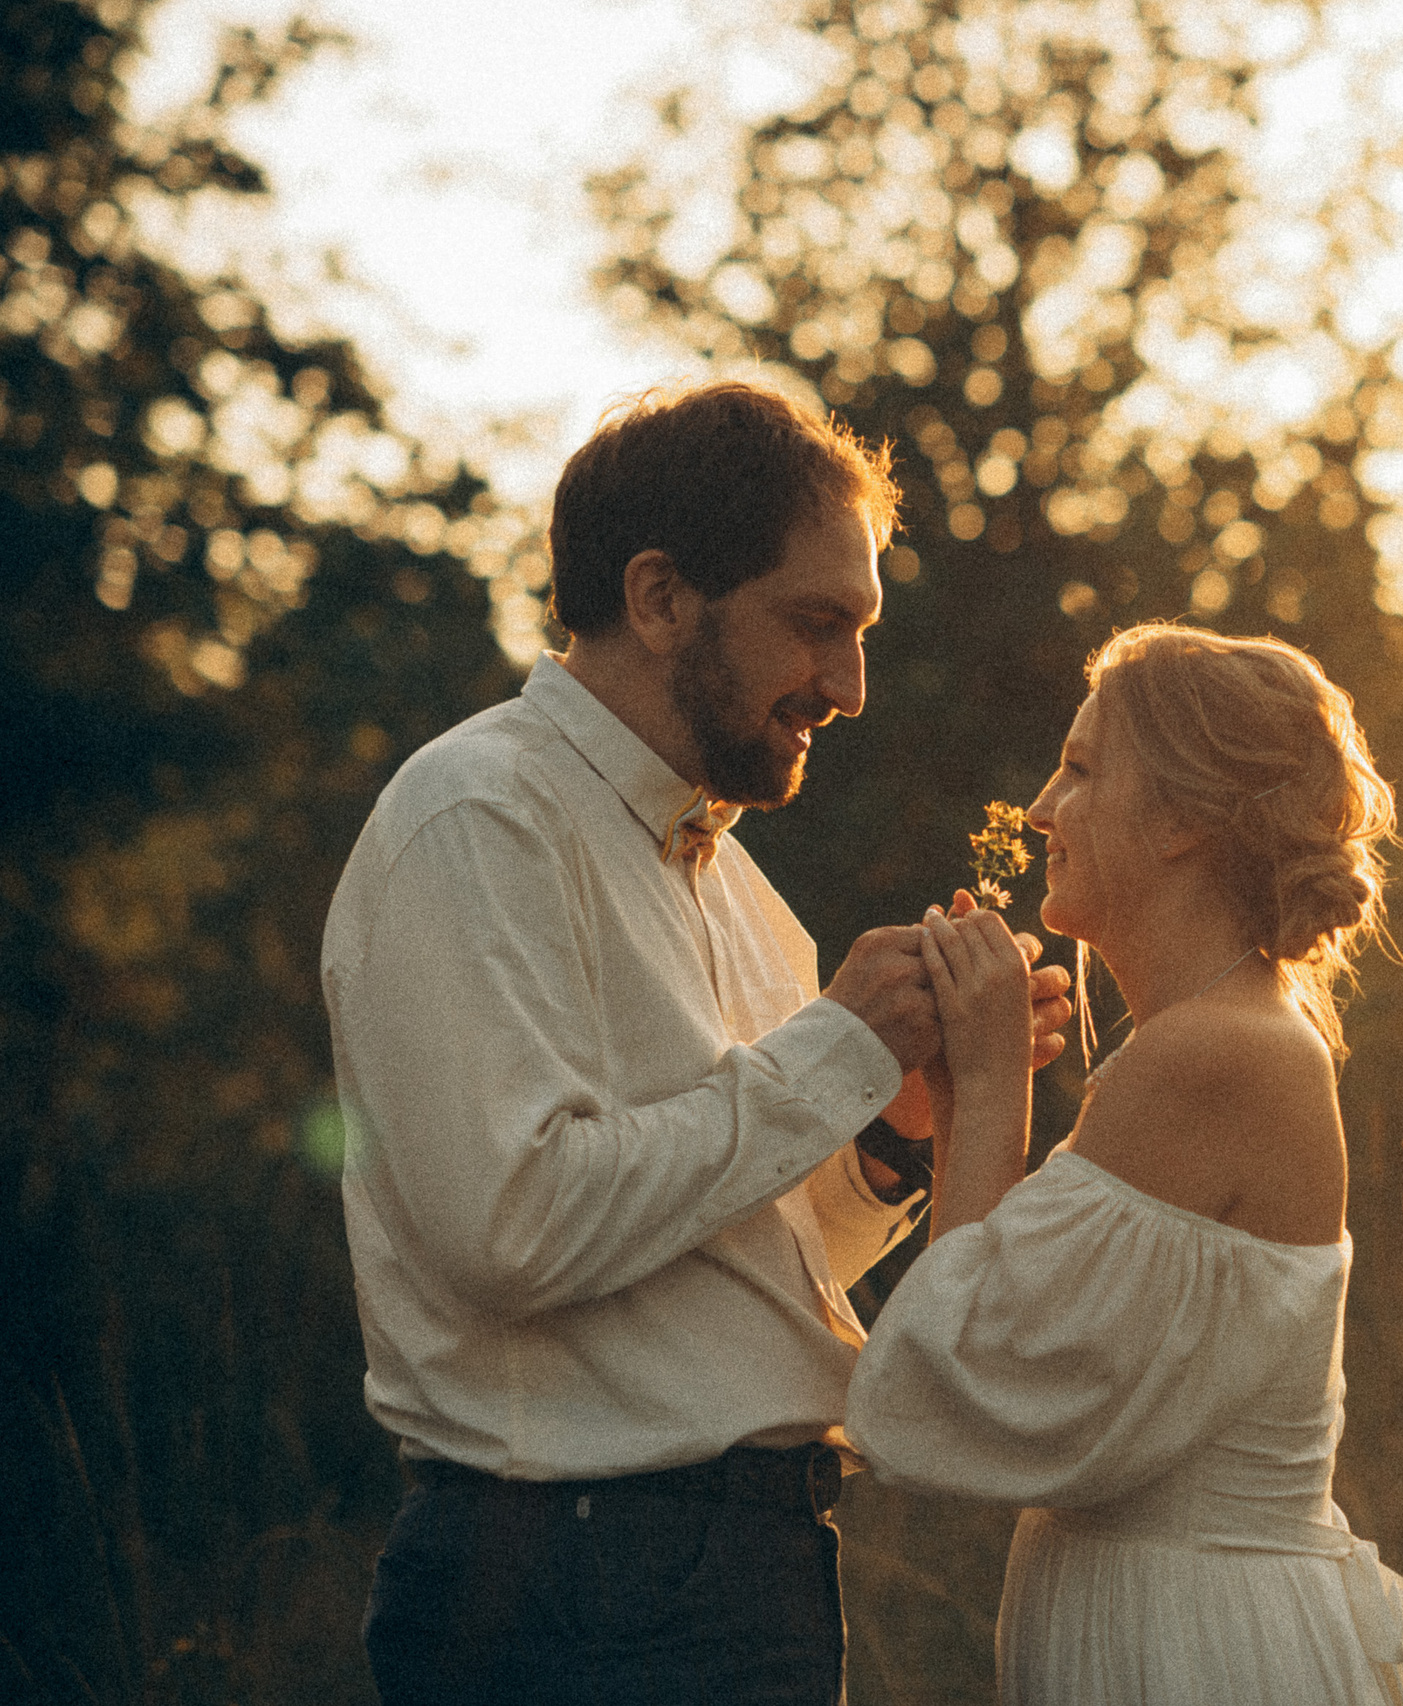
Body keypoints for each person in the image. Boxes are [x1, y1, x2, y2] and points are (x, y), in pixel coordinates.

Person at [321, 381, 1073, 1705]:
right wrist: (836, 1048)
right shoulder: (478, 818)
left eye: (862, 634)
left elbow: (721, 1256)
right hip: (570, 1585)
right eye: (817, 624)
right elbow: (513, 1226)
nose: (849, 687)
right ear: (661, 596)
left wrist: (893, 1123)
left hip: (736, 1563)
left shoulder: (736, 888)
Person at [845, 622, 1403, 1704]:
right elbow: (1012, 1341)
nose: (1041, 808)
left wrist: (991, 1082)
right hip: (1181, 1624)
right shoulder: (1213, 1038)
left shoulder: (1213, 1051)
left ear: (1181, 820)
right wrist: (964, 1087)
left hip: (1199, 1649)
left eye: (1080, 769)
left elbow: (952, 1383)